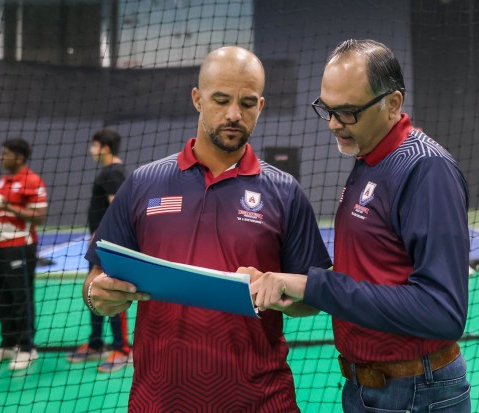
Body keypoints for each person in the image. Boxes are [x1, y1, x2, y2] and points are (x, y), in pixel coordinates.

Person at [82, 46, 331, 411]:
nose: (234, 114)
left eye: (247, 103)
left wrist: (284, 294)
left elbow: (314, 299)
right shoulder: (143, 184)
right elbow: (95, 278)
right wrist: (97, 296)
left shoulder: (285, 192)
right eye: (221, 100)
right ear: (197, 99)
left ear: (260, 107)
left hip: (261, 401)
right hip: (159, 401)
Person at [248, 39, 471, 412]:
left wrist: (315, 284)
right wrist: (301, 293)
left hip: (415, 393)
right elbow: (376, 274)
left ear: (393, 104)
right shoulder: (369, 159)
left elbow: (442, 311)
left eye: (348, 112)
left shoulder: (426, 170)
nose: (334, 124)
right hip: (369, 389)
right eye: (328, 109)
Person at [0, 138, 48, 370]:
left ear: (19, 157)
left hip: (19, 247)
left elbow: (38, 217)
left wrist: (6, 206)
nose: (1, 157)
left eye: (5, 154)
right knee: (1, 296)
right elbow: (5, 207)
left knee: (21, 297)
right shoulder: (4, 180)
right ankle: (8, 344)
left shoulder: (32, 180)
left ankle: (27, 348)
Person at [66, 129, 131, 373]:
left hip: (107, 247)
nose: (91, 150)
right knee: (94, 291)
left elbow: (116, 209)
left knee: (112, 294)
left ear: (104, 147)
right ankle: (96, 343)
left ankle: (123, 350)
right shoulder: (110, 172)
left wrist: (102, 237)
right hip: (99, 246)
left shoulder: (113, 173)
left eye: (94, 145)